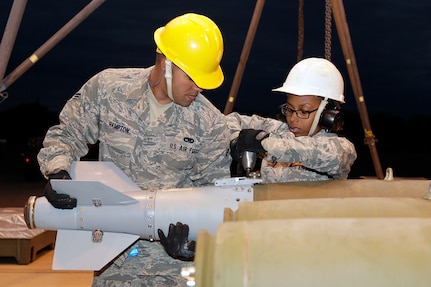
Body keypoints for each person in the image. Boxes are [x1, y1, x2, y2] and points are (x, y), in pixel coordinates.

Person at [37, 13, 231, 286]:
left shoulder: (209, 123)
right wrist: (57, 170)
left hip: (172, 269)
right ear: (165, 64)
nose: (198, 88)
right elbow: (67, 133)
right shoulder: (108, 89)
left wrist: (198, 243)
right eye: (192, 77)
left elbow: (216, 197)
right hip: (112, 259)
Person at [228, 57, 357, 182]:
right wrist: (235, 139)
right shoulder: (279, 131)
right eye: (289, 109)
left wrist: (264, 143)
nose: (292, 119)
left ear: (327, 114)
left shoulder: (341, 148)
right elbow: (232, 120)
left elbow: (333, 156)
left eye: (304, 111)